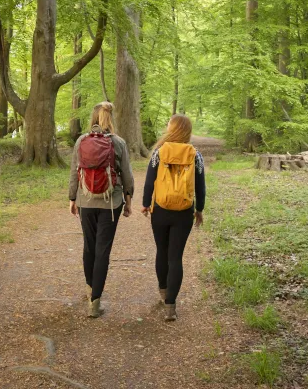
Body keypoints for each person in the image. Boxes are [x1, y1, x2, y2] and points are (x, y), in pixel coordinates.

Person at [68, 101, 135, 318]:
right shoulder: (119, 143)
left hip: (85, 201)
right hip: (111, 203)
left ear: (94, 118)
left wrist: (72, 198)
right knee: (102, 250)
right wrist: (128, 199)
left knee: (89, 247)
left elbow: (74, 172)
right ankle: (95, 302)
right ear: (110, 118)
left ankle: (90, 289)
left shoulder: (81, 141)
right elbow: (127, 175)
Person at [141, 114, 205, 321]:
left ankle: (163, 291)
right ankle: (171, 306)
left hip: (160, 210)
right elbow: (200, 186)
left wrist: (145, 204)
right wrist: (199, 209)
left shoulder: (159, 152)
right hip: (184, 212)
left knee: (162, 250)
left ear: (172, 129)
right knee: (175, 257)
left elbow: (150, 181)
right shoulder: (195, 155)